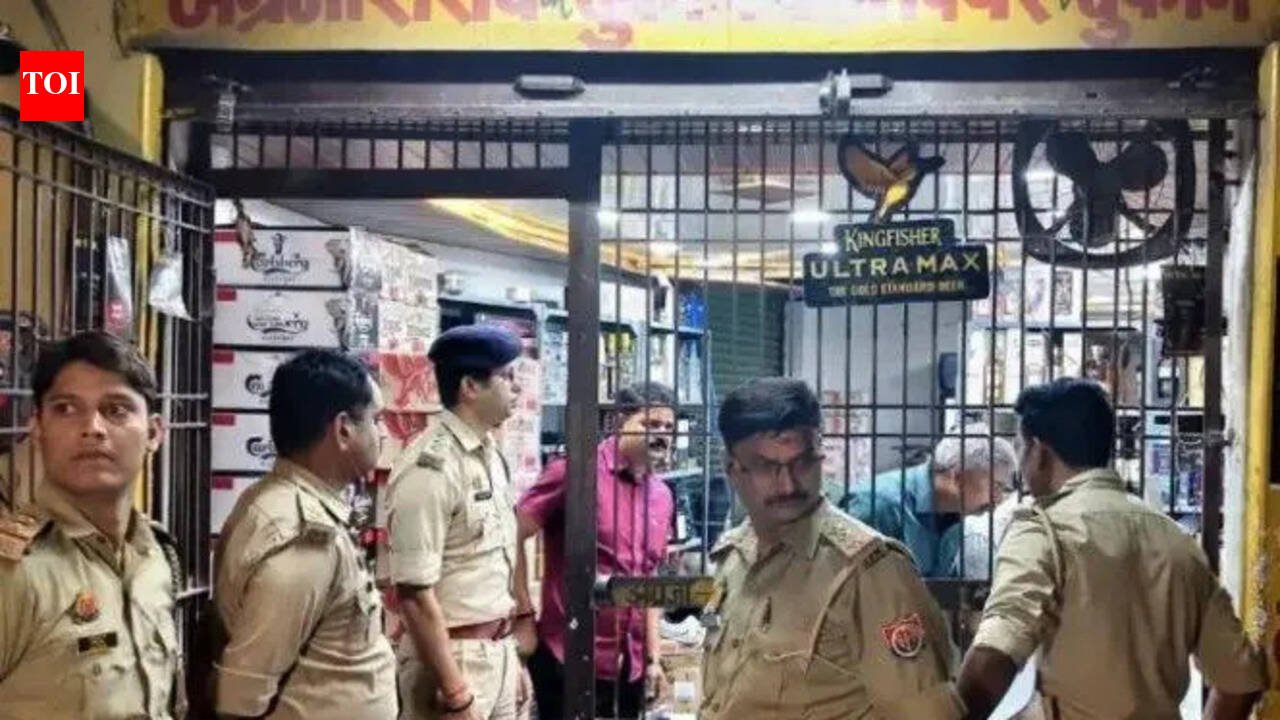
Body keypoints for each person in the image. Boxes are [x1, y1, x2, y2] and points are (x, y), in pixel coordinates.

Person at [956, 378, 1267, 720]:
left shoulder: (1044, 532)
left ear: (1039, 452)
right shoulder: (1176, 541)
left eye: (1020, 447)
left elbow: (996, 654)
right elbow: (1241, 678)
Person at [702, 377, 964, 719]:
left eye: (802, 462)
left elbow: (927, 713)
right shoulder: (733, 557)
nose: (788, 484)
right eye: (767, 467)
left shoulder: (868, 572)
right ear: (731, 468)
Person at [0, 331, 184, 718]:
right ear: (37, 428)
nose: (93, 427)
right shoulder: (14, 571)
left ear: (154, 433)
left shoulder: (156, 555)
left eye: (116, 410)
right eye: (66, 409)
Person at [211, 349, 397, 719]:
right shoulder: (301, 537)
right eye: (376, 420)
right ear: (343, 429)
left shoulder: (289, 503)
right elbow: (243, 694)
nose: (384, 434)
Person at [387, 324, 530, 720]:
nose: (517, 387)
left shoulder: (489, 454)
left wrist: (509, 659)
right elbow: (415, 593)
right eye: (506, 377)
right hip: (453, 658)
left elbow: (492, 567)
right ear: (470, 386)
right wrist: (455, 691)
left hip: (495, 651)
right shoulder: (432, 467)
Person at [517, 381, 677, 720]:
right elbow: (510, 535)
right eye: (650, 424)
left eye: (668, 428)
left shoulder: (662, 496)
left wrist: (653, 658)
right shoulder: (575, 473)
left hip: (630, 667)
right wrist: (523, 617)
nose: (662, 435)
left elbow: (649, 579)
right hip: (568, 657)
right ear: (618, 423)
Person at [844, 426, 1015, 577]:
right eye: (995, 486)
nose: (998, 499)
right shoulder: (880, 504)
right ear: (958, 477)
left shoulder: (954, 515)